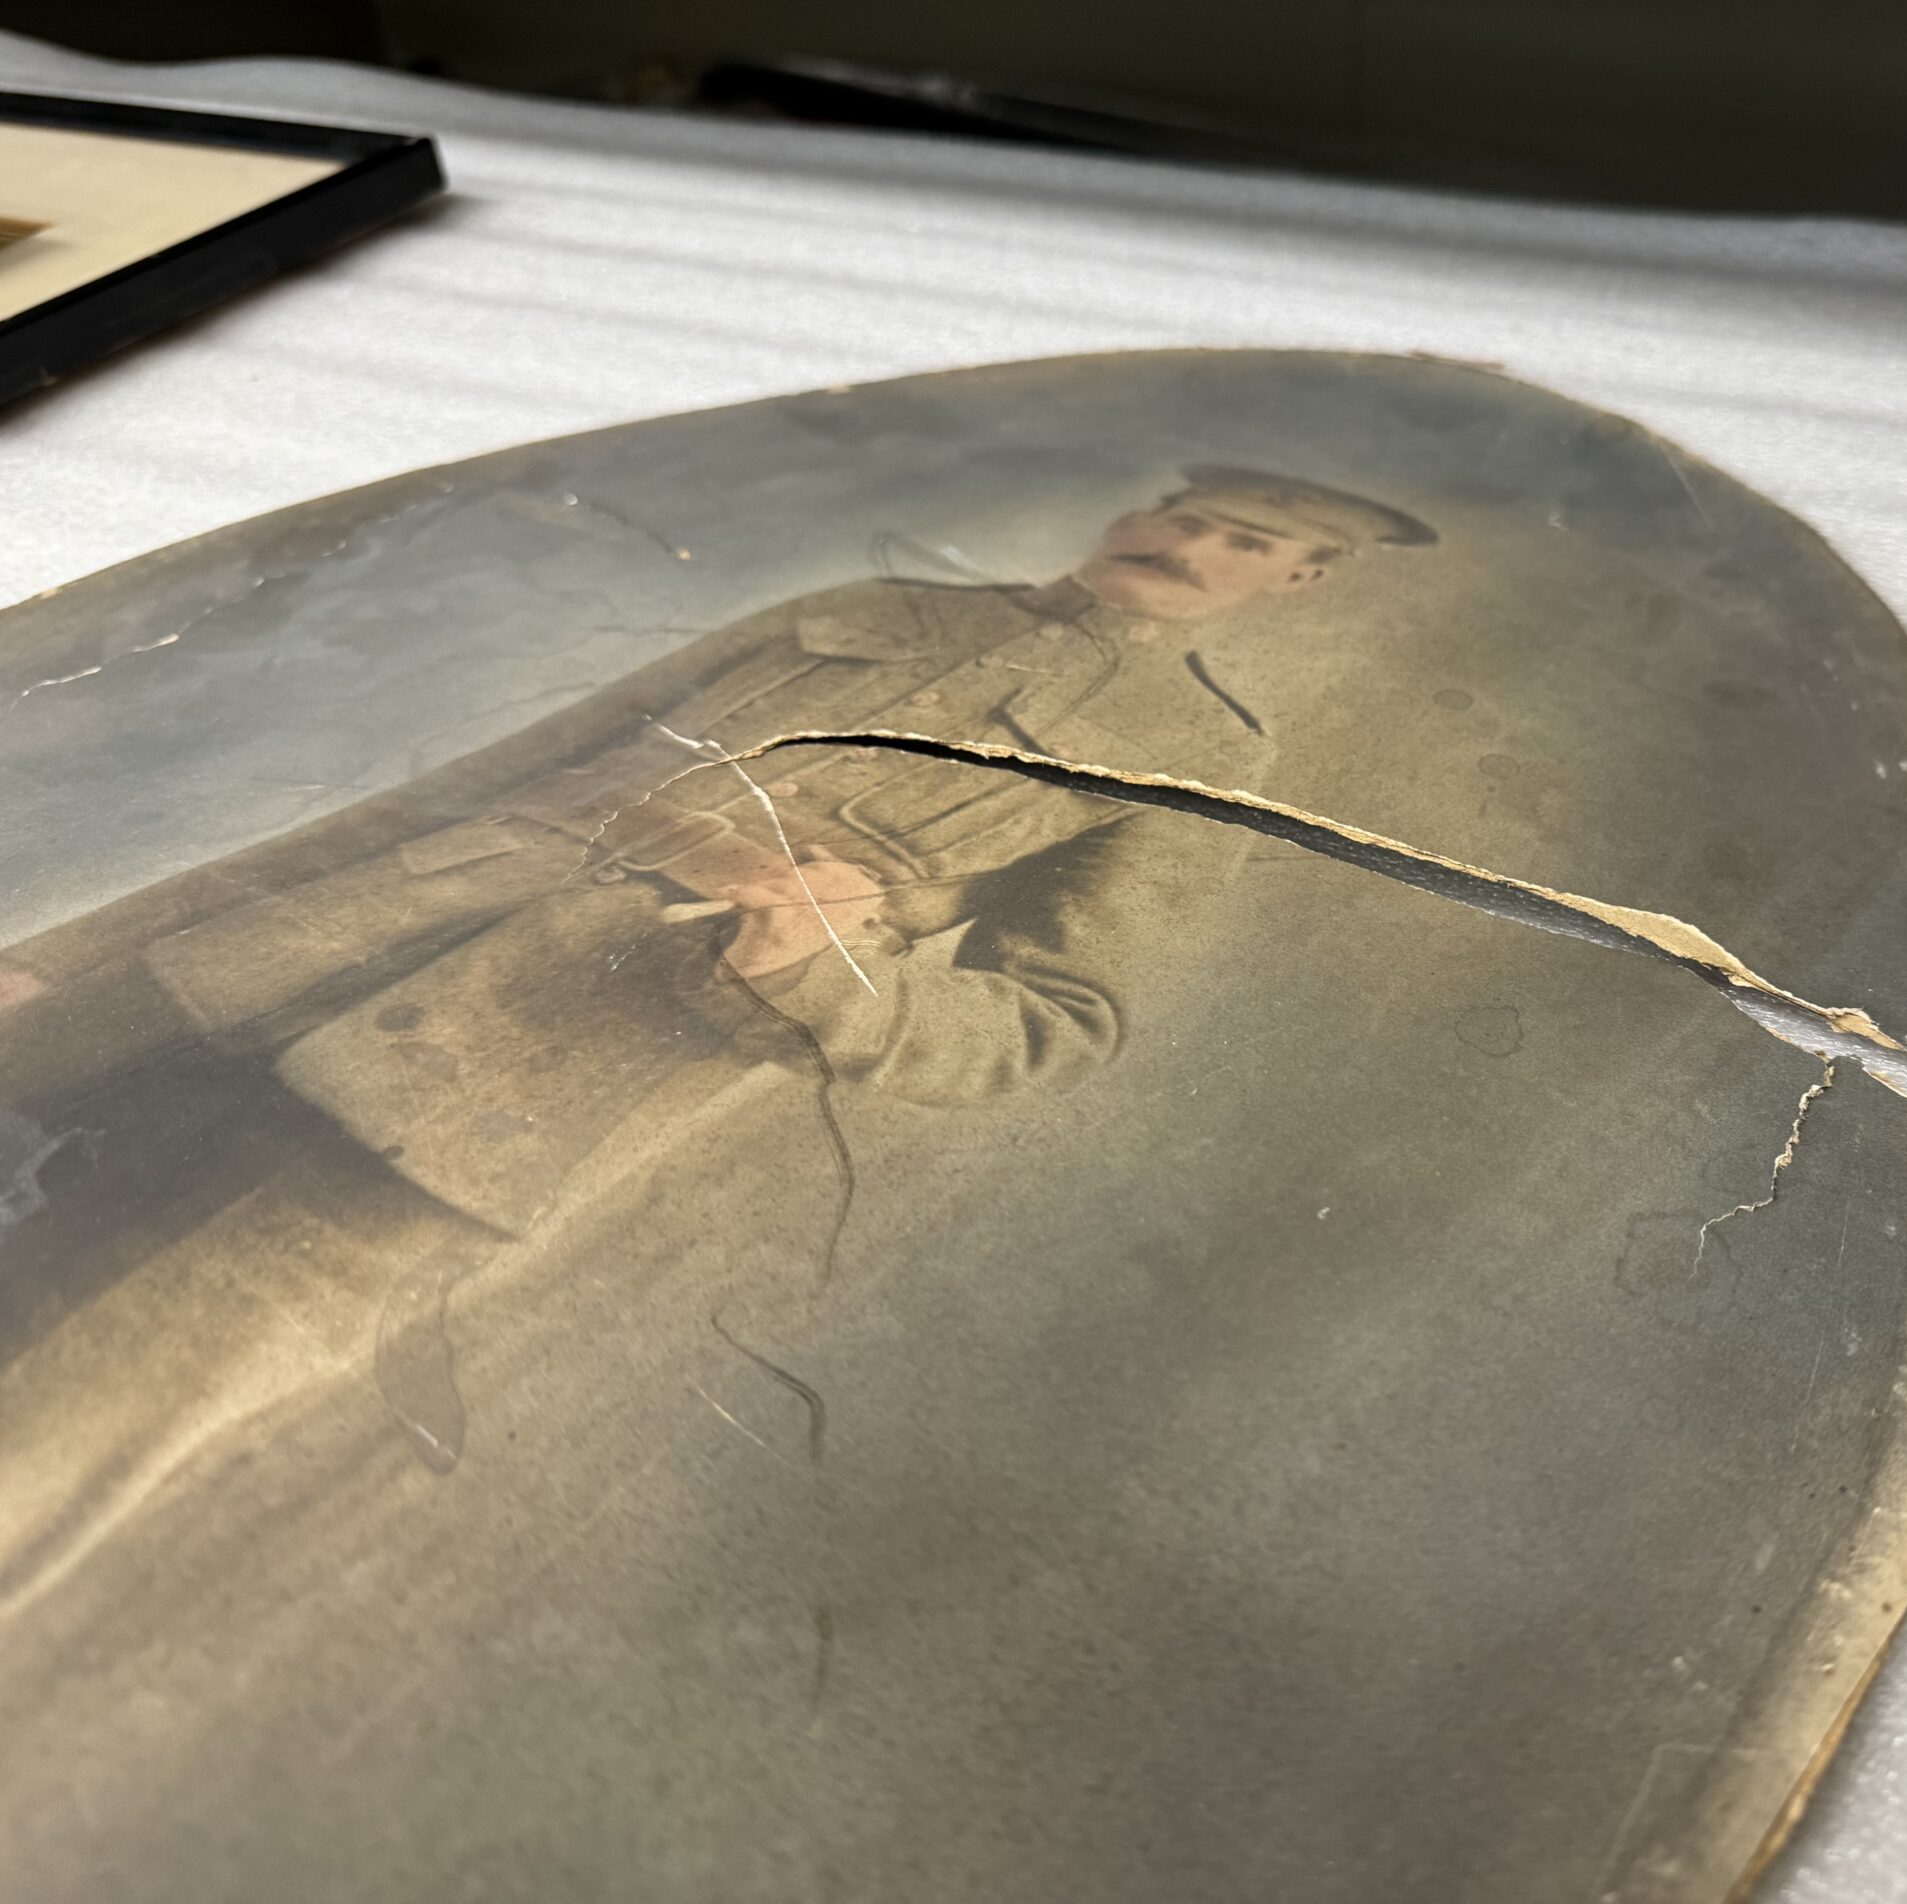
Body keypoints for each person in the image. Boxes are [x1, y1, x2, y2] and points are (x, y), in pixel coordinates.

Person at [0, 465, 1436, 1595]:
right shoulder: (875, 603)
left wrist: (821, 971)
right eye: (1186, 512)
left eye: (1247, 542)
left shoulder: (1203, 760)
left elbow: (1054, 1023)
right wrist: (64, 956)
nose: (1192, 544)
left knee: (75, 1424)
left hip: (515, 1080)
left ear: (1301, 582)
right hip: (273, 958)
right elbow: (465, 785)